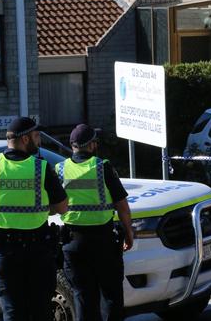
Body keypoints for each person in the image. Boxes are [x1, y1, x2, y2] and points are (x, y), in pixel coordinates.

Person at [0, 117, 68, 321]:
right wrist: (42, 210)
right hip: (38, 252)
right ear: (25, 139)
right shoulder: (41, 168)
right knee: (41, 312)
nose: (39, 141)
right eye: (37, 136)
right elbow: (62, 207)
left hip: (6, 253)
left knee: (13, 313)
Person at [58, 124, 133, 321]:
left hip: (73, 243)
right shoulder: (102, 167)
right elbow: (122, 206)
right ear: (91, 145)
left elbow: (52, 206)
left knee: (82, 297)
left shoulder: (60, 169)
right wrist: (129, 232)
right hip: (103, 242)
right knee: (111, 297)